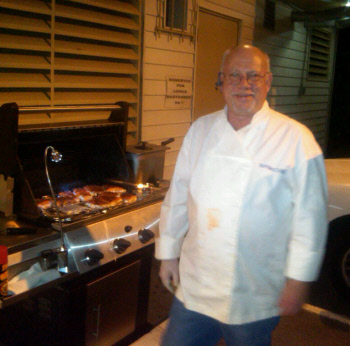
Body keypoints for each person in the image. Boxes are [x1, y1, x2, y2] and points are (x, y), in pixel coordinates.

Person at [155, 45, 328, 346]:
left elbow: (310, 218)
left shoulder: (296, 138)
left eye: (253, 75)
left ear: (268, 82)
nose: (243, 83)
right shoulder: (201, 129)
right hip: (198, 282)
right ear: (221, 80)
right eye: (233, 75)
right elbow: (179, 193)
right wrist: (168, 252)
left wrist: (298, 279)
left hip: (255, 287)